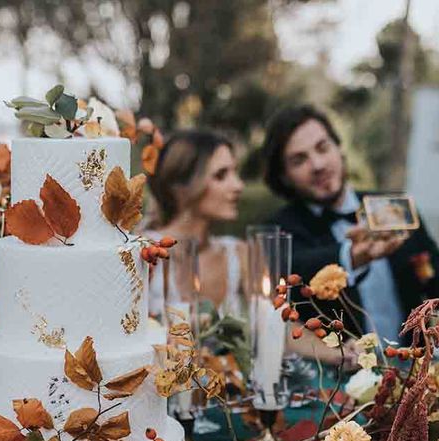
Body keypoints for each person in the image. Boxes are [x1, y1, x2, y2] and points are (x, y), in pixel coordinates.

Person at [262, 104, 439, 343]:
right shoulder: (277, 230)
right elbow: (296, 270)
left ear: (338, 148)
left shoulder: (394, 208)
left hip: (414, 368)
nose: (318, 165)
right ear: (284, 176)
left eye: (323, 148)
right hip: (333, 377)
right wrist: (353, 255)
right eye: (299, 160)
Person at [147, 129, 246, 320]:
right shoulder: (146, 252)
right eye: (221, 175)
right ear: (181, 187)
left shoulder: (239, 252)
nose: (238, 185)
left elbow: (284, 330)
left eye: (235, 172)